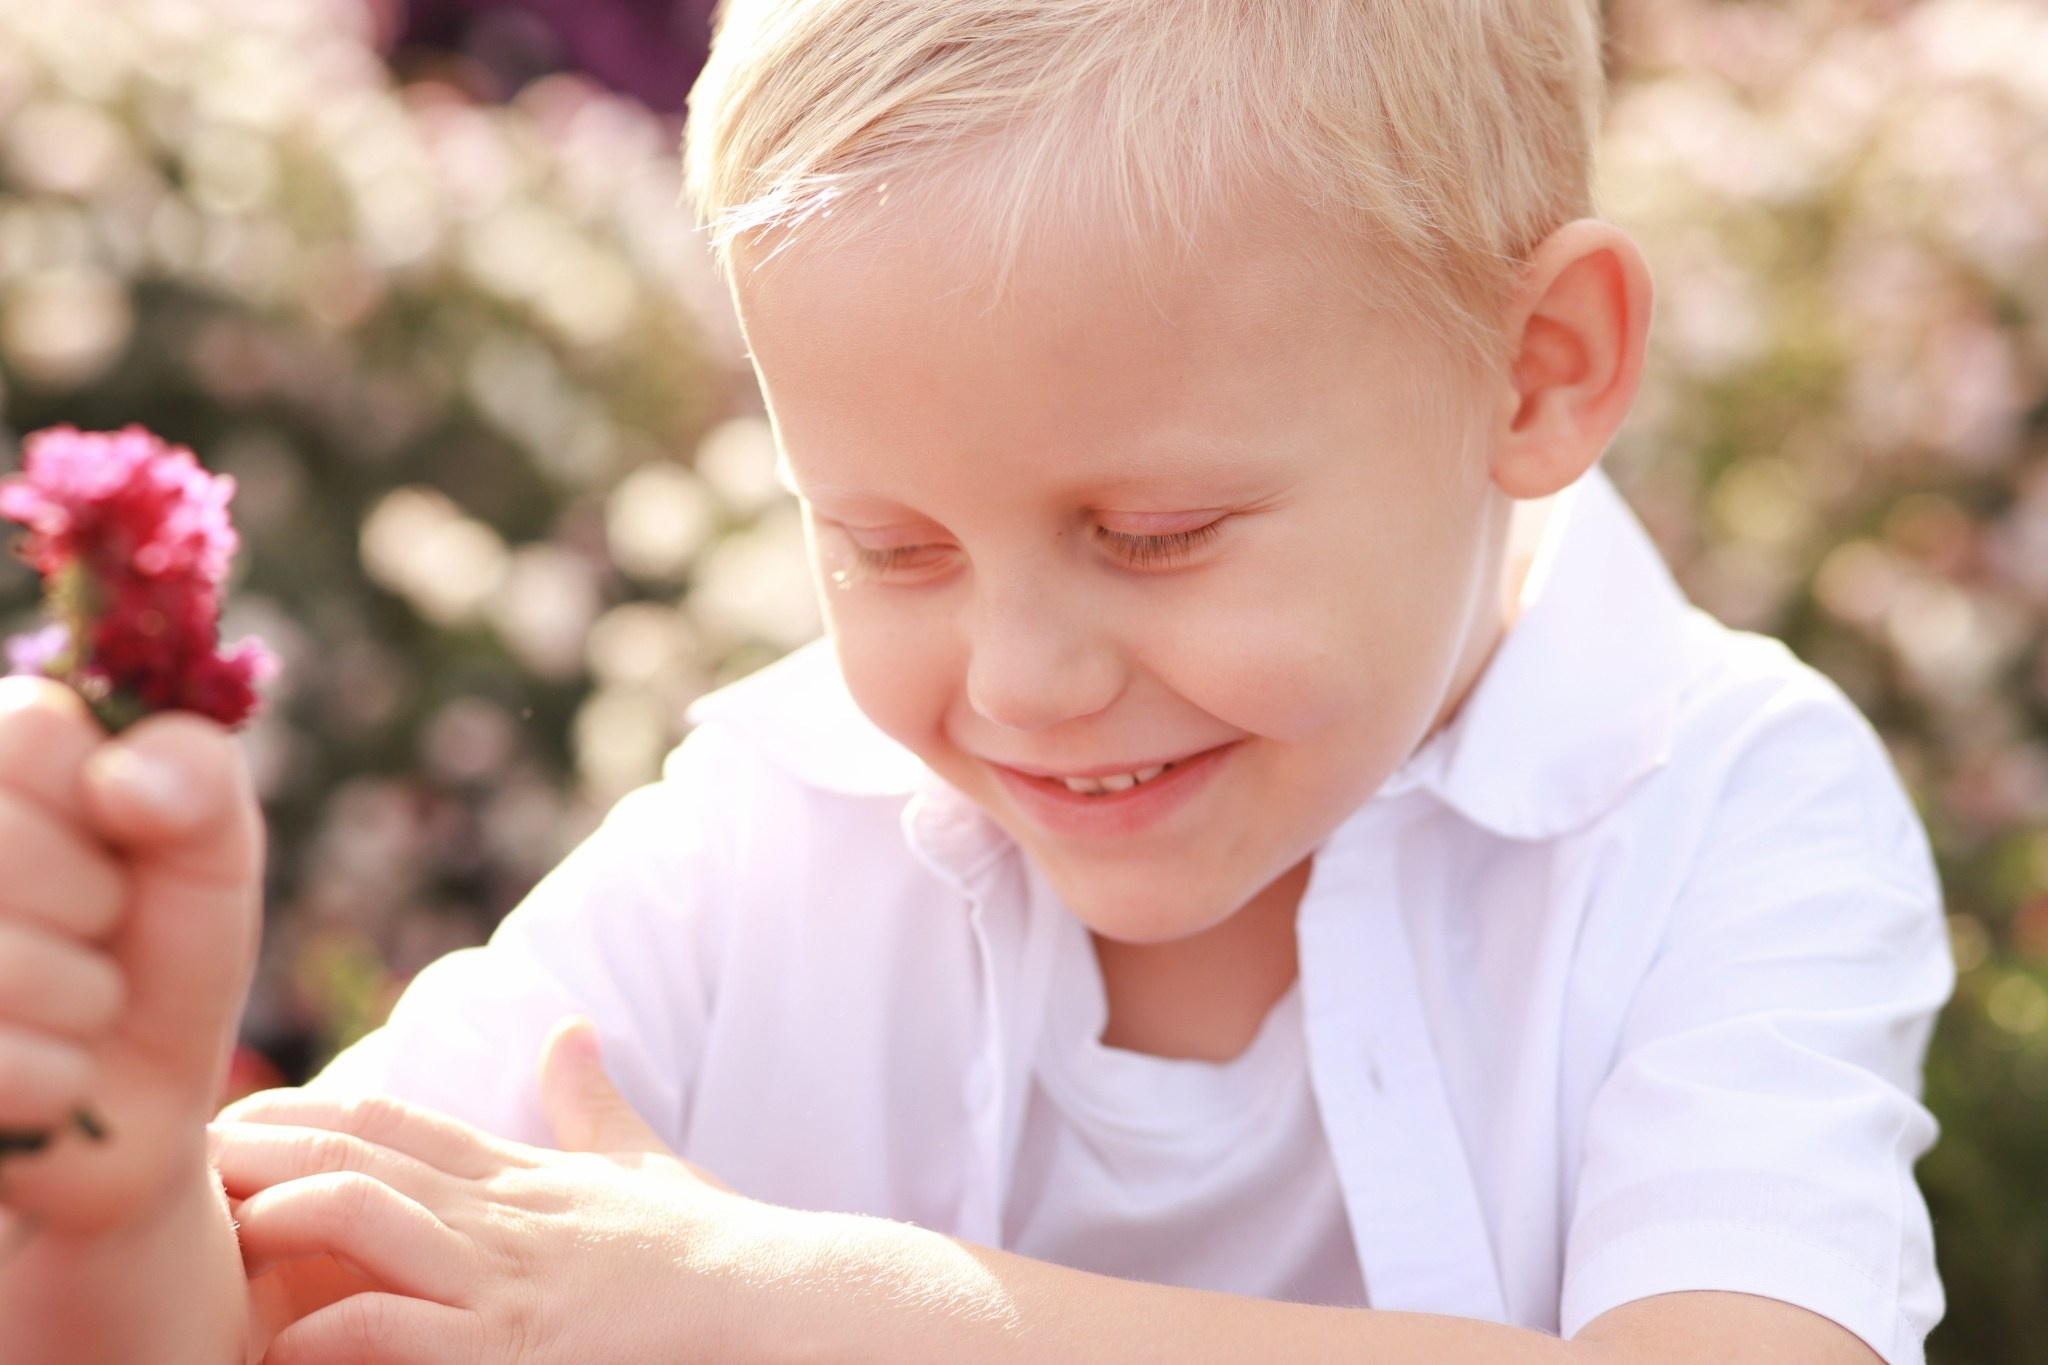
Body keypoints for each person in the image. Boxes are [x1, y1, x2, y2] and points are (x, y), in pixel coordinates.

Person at [0, 1, 1953, 1361]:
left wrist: (792, 1308)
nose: (1021, 683)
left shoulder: (1716, 802)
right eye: (888, 545)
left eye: (1155, 532)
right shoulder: (774, 834)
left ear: (1538, 369)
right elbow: (274, 1314)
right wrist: (112, 1188)